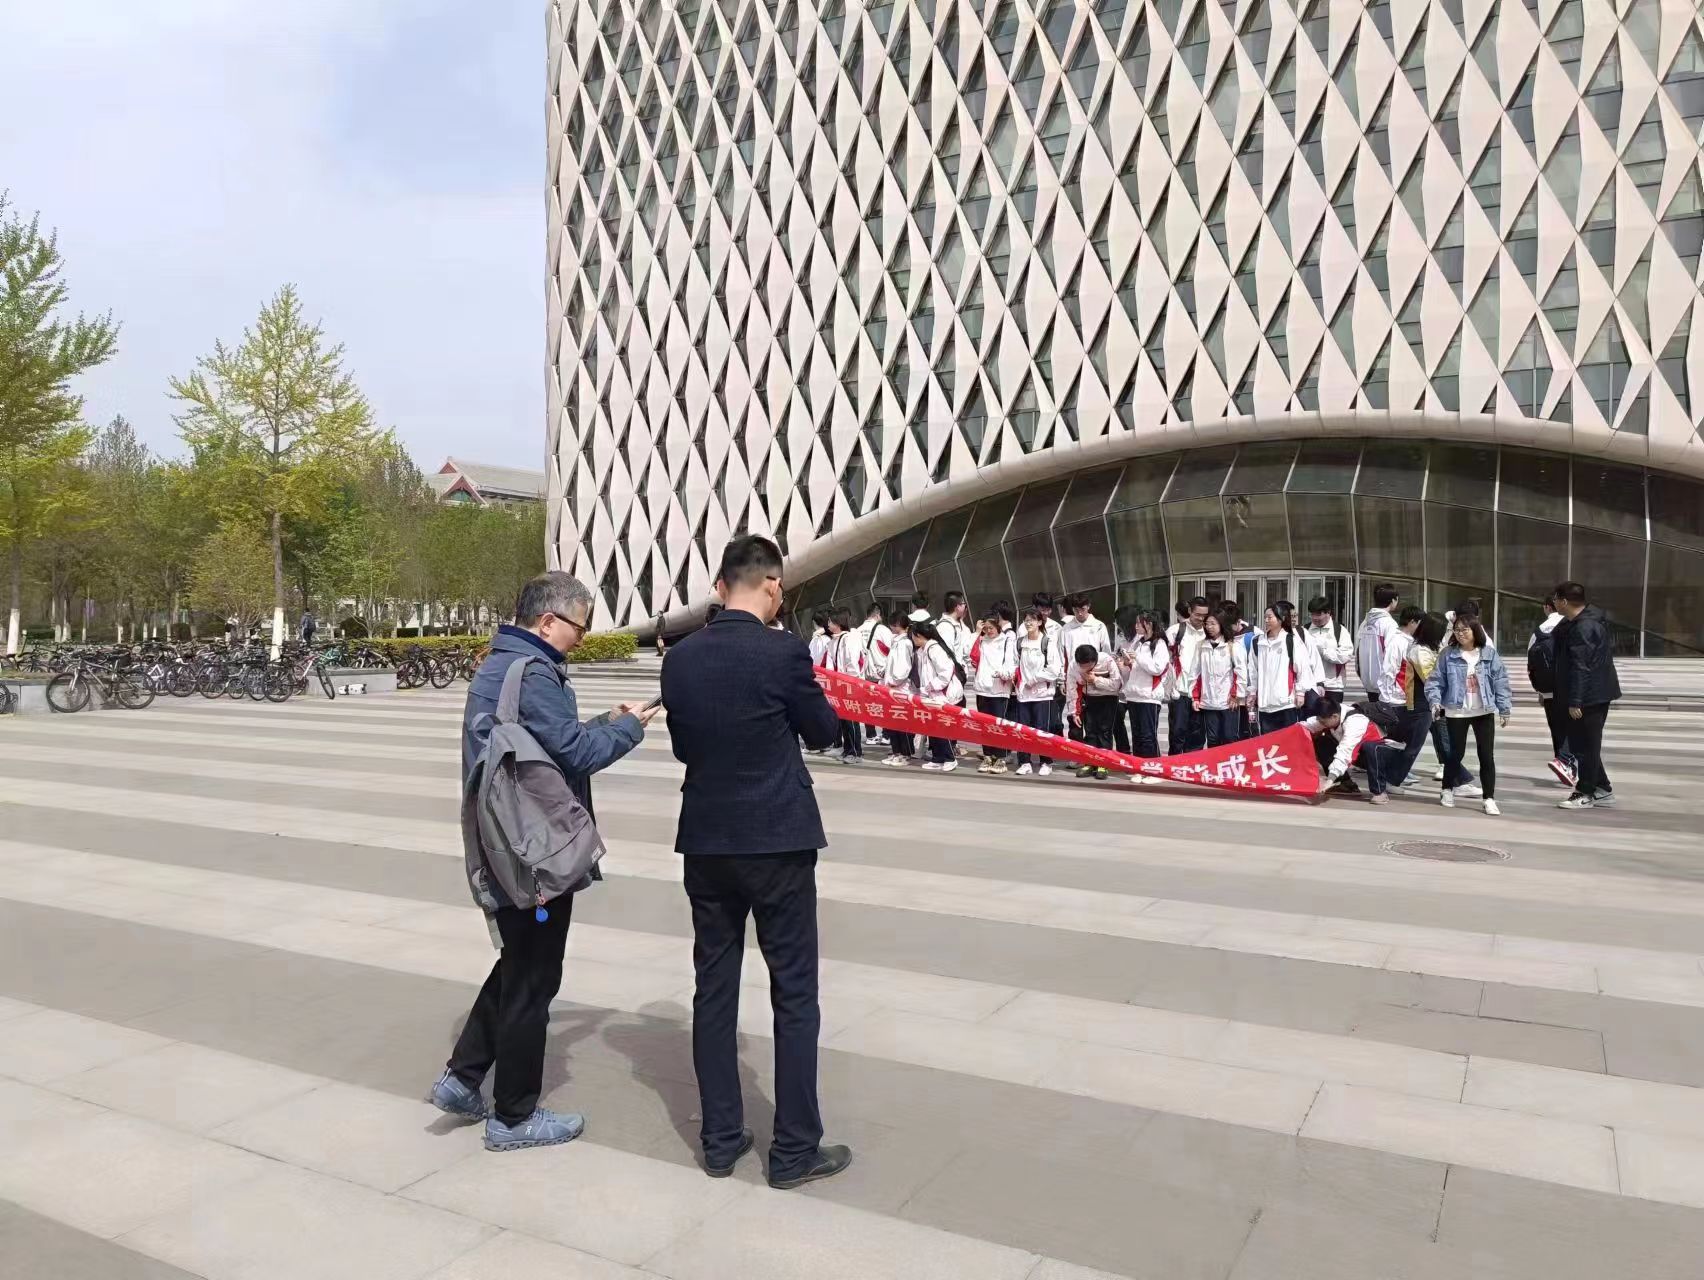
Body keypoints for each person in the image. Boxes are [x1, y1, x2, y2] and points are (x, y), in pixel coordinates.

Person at [431, 572, 654, 1151]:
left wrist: (606, 722)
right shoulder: (534, 672)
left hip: (505, 841)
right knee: (534, 978)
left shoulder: (502, 663)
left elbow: (545, 741)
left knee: (518, 964)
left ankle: (463, 1077)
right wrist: (629, 731)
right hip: (532, 852)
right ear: (548, 620)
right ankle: (513, 1117)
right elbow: (575, 754)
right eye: (579, 626)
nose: (582, 637)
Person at [659, 534, 850, 1189]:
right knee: (794, 993)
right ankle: (793, 1150)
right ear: (772, 586)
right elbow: (823, 731)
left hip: (708, 840)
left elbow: (685, 748)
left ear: (721, 586)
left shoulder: (681, 658)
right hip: (777, 840)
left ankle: (719, 1141)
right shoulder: (784, 651)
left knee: (713, 988)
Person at [1426, 615, 1513, 815]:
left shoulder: (1488, 653)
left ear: (1475, 630)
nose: (1460, 633)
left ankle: (1489, 798)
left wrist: (1504, 708)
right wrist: (1435, 702)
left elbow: (1500, 680)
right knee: (1456, 754)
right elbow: (1435, 681)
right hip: (1457, 711)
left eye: (1465, 629)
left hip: (1483, 711)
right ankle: (1447, 789)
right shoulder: (1448, 654)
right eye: (1457, 630)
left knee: (1486, 756)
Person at [1552, 581, 1621, 810]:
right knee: (1584, 745)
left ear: (1564, 601)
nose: (1553, 603)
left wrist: (1576, 701)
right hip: (1591, 693)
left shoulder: (1584, 627)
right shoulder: (1579, 622)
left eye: (1555, 599)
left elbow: (1582, 667)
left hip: (1590, 697)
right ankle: (1603, 789)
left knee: (1586, 746)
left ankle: (1585, 792)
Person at [1305, 694, 1396, 805]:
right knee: (1322, 741)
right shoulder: (1334, 714)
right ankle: (1345, 784)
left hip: (1385, 756)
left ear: (1334, 716)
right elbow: (1308, 725)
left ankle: (1379, 792)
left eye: (1323, 722)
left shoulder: (1355, 722)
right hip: (1360, 754)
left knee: (1370, 748)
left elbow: (1345, 751)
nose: (1320, 724)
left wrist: (1329, 780)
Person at [1528, 599, 1578, 789]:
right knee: (1573, 728)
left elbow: (1531, 662)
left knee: (1557, 729)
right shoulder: (1571, 624)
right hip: (1569, 688)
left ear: (1546, 607)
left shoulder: (1538, 631)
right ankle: (1565, 762)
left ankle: (1565, 765)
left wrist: (1540, 690)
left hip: (1547, 690)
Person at [1247, 601, 1320, 733]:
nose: (1266, 620)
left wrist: (1300, 693)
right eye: (1265, 617)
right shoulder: (1257, 642)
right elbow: (1253, 671)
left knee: (1287, 739)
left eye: (1270, 617)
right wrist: (1252, 692)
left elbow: (1302, 668)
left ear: (1281, 619)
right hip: (1264, 704)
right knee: (1268, 741)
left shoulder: (1291, 640)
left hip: (1286, 703)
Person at [1116, 609, 1170, 777]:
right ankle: (1139, 768)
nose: (1136, 626)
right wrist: (1126, 663)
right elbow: (1133, 669)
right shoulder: (1138, 643)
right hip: (1134, 694)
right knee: (1137, 735)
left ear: (1149, 624)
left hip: (1149, 696)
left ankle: (1153, 770)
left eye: (1139, 623)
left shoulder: (1159, 644)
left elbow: (1157, 668)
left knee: (1148, 735)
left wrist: (1137, 658)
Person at [913, 619, 967, 772]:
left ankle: (949, 758)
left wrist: (930, 686)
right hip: (933, 694)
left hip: (942, 694)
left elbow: (945, 672)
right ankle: (937, 758)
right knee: (933, 727)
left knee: (941, 727)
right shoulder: (925, 650)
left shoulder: (934, 649)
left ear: (918, 636)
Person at [1187, 609, 1246, 749]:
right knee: (1212, 739)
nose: (1209, 627)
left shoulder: (1232, 646)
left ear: (1221, 624)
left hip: (1228, 702)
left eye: (1213, 624)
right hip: (1208, 701)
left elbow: (1241, 672)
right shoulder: (1201, 646)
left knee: (1229, 738)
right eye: (1207, 624)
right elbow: (1195, 673)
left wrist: (1236, 695)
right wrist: (1195, 697)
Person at [1012, 607, 1060, 776]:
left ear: (1040, 622)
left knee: (1042, 729)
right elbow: (1014, 664)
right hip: (1023, 694)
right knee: (1023, 729)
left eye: (1032, 620)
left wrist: (1034, 679)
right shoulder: (1020, 642)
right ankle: (1024, 761)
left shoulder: (1047, 642)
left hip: (1042, 694)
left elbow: (1054, 669)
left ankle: (1046, 761)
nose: (1028, 623)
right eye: (1026, 620)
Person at [970, 610, 1018, 775]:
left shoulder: (1007, 641)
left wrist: (1004, 673)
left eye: (991, 628)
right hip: (982, 688)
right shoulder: (981, 640)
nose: (988, 631)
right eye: (986, 628)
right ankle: (988, 756)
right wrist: (977, 633)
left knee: (998, 725)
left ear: (998, 626)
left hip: (999, 689)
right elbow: (967, 651)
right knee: (984, 725)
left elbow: (1012, 662)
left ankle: (1001, 757)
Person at [1066, 642, 1121, 779]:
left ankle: (1103, 764)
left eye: (1088, 666)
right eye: (1082, 666)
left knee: (1104, 731)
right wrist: (1074, 712)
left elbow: (1117, 684)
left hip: (1108, 698)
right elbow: (1071, 688)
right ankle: (1090, 762)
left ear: (1095, 660)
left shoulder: (1107, 660)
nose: (1085, 669)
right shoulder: (1074, 665)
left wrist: (1095, 680)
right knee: (1090, 731)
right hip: (1088, 698)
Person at [1165, 597, 1210, 753]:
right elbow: (1165, 659)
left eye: (1204, 615)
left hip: (1201, 694)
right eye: (1198, 614)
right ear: (1190, 611)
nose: (1201, 618)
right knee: (1177, 733)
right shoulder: (1175, 631)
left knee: (1197, 735)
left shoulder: (1209, 632)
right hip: (1180, 692)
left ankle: (1192, 764)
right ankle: (1175, 762)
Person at [824, 608, 865, 763]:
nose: (828, 624)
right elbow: (830, 665)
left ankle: (855, 752)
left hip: (849, 685)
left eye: (830, 621)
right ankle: (847, 749)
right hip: (838, 685)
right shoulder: (833, 641)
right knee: (842, 719)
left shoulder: (849, 639)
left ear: (838, 622)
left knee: (851, 720)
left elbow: (852, 664)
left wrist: (850, 684)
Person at [881, 614, 916, 767]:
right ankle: (897, 752)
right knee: (893, 722)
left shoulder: (904, 643)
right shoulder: (898, 641)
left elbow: (903, 668)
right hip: (893, 687)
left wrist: (893, 681)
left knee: (901, 722)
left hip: (900, 689)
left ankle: (905, 753)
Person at [1357, 583, 1402, 700]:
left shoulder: (1365, 623)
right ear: (1393, 600)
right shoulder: (1389, 624)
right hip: (1385, 685)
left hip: (1368, 682)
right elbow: (1393, 655)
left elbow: (1358, 652)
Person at [1303, 597, 1353, 694]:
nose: (1315, 618)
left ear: (1328, 613)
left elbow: (1345, 656)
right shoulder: (1304, 630)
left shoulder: (1340, 630)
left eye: (1318, 614)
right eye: (1312, 614)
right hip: (1310, 685)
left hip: (1333, 686)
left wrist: (1323, 651)